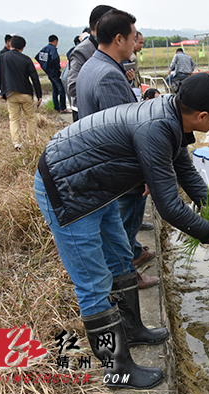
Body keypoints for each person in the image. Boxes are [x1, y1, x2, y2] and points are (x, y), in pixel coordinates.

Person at [34, 72, 209, 389]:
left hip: (95, 186)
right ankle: (117, 369)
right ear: (203, 116)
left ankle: (133, 330)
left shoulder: (172, 117)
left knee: (121, 257)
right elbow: (169, 206)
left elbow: (184, 169)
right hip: (67, 191)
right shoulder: (158, 127)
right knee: (94, 284)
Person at [77, 9, 158, 289]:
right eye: (134, 37)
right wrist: (143, 173)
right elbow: (121, 134)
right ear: (120, 38)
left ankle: (126, 276)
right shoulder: (109, 75)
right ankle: (128, 279)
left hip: (99, 165)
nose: (136, 43)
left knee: (117, 230)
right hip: (115, 169)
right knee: (122, 230)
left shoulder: (93, 66)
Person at [0, 35, 42, 150]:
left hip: (10, 93)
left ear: (11, 45)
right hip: (26, 93)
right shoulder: (26, 59)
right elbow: (34, 78)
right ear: (23, 47)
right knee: (30, 118)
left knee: (14, 119)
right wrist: (39, 95)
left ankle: (17, 143)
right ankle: (32, 142)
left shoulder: (1, 58)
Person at [67, 4, 115, 122]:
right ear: (99, 25)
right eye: (114, 23)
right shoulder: (82, 51)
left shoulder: (111, 47)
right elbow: (73, 86)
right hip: (89, 115)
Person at [36, 35, 67, 113]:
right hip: (54, 72)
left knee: (55, 91)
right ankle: (63, 108)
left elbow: (37, 57)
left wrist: (45, 66)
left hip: (49, 72)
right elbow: (54, 58)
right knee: (61, 90)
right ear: (55, 41)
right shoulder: (52, 49)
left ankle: (56, 108)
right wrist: (58, 68)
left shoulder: (44, 49)